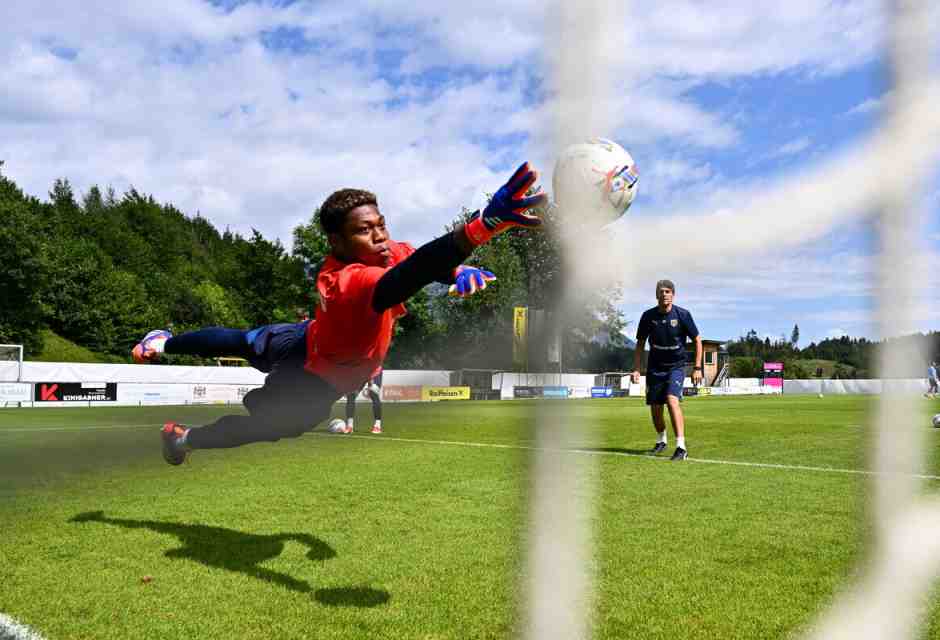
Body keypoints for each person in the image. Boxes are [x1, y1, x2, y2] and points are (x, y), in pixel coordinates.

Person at [133, 162, 543, 465]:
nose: (380, 235)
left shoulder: (386, 250)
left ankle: (182, 437)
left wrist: (456, 269)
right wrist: (481, 226)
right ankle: (164, 343)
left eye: (381, 224)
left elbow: (416, 260)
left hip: (306, 339)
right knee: (253, 378)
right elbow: (402, 280)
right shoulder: (350, 280)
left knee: (247, 345)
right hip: (310, 372)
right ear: (337, 241)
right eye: (365, 230)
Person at [629, 279, 702, 461]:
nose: (664, 294)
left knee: (671, 400)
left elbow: (698, 341)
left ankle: (681, 447)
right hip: (655, 367)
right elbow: (640, 344)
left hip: (676, 367)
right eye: (661, 291)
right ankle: (661, 440)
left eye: (668, 291)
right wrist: (637, 369)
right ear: (656, 295)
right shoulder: (648, 316)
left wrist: (697, 367)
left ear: (673, 295)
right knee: (655, 408)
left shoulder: (683, 315)